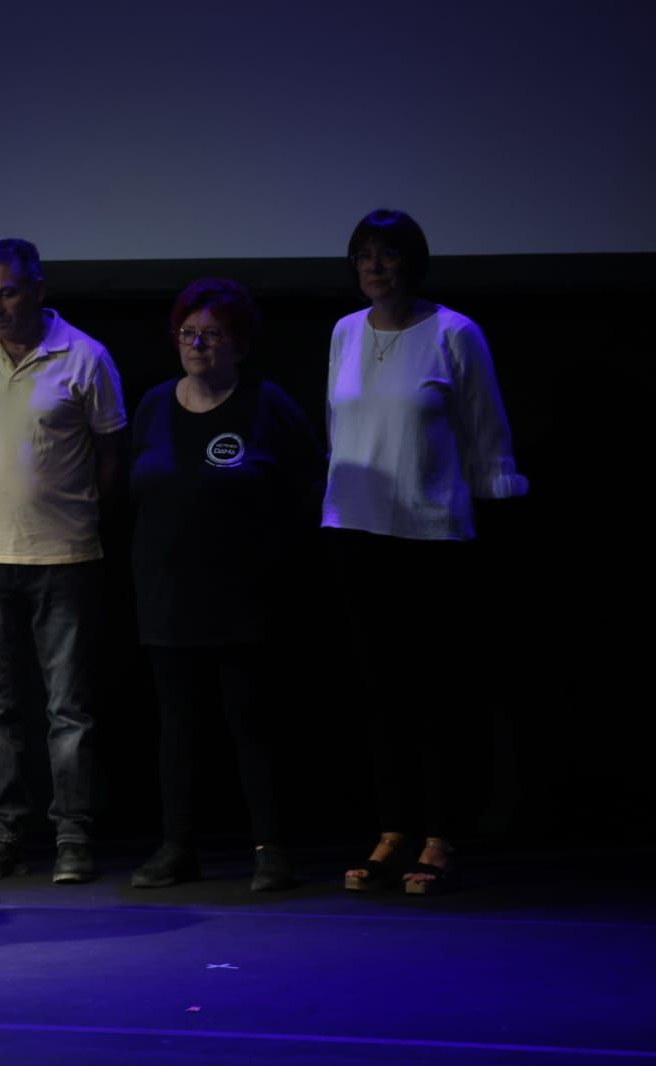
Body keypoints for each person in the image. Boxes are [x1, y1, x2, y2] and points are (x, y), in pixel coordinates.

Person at [325, 210, 529, 895]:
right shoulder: (343, 333)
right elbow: (339, 428)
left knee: (437, 694)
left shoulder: (454, 333)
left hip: (432, 538)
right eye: (362, 256)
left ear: (412, 262)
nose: (373, 268)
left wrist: (493, 507)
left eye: (385, 256)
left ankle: (440, 835)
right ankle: (391, 828)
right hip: (357, 534)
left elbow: (484, 431)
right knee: (379, 693)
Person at [127, 278, 322, 892]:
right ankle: (177, 848)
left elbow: (309, 485)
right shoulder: (156, 403)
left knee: (252, 725)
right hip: (167, 597)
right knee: (177, 730)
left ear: (239, 343)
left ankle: (271, 851)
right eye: (188, 333)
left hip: (245, 599)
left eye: (212, 335)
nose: (198, 345)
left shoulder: (268, 404)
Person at [0, 238, 126, 884]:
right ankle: (4, 836)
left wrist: (65, 510)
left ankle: (72, 837)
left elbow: (109, 456)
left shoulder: (85, 356)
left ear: (38, 288)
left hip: (66, 556)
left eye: (9, 292)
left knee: (68, 709)